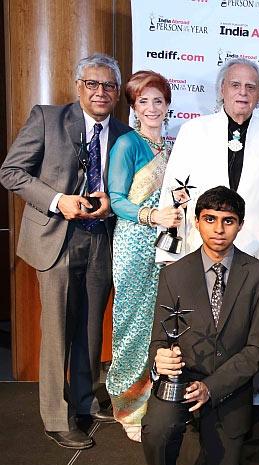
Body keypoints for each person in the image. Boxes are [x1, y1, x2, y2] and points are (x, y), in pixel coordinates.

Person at [0, 53, 131, 449]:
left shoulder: (125, 134)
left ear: (117, 92)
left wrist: (113, 202)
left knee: (91, 329)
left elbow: (125, 189)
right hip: (55, 237)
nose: (100, 92)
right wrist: (59, 200)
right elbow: (11, 172)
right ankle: (57, 418)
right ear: (79, 87)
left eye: (108, 85)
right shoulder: (47, 118)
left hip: (101, 239)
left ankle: (86, 400)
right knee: (57, 329)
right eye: (92, 84)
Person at [141, 186, 259, 465]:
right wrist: (161, 360)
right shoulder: (173, 275)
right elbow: (160, 339)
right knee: (156, 431)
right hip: (181, 383)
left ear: (240, 224)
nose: (218, 229)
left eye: (228, 220)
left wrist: (211, 387)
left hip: (228, 387)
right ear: (197, 222)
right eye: (210, 219)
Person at [105, 70, 181, 442]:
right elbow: (116, 200)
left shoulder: (171, 147)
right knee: (133, 323)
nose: (151, 108)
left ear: (168, 105)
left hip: (166, 247)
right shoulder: (127, 145)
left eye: (158, 101)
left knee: (160, 322)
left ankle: (157, 400)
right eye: (143, 102)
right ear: (133, 107)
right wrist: (151, 216)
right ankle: (128, 406)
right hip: (135, 244)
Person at [155, 57, 259, 266]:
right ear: (221, 89)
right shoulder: (193, 131)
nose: (242, 92)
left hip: (252, 254)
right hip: (197, 250)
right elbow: (173, 194)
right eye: (235, 85)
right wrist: (169, 255)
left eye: (250, 87)